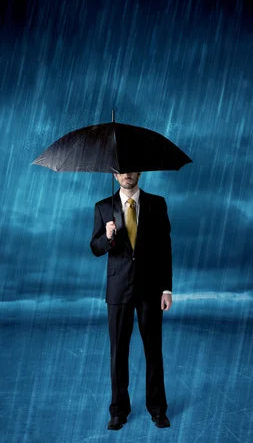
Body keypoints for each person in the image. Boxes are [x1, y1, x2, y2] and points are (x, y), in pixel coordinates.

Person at [90, 171, 172, 431]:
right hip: (118, 290)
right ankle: (118, 411)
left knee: (153, 351)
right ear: (115, 175)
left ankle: (158, 410)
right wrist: (108, 236)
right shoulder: (103, 207)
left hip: (150, 288)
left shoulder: (157, 204)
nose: (127, 174)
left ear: (139, 173)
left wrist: (167, 289)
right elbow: (95, 247)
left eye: (132, 169)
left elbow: (164, 248)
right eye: (122, 170)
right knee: (118, 353)